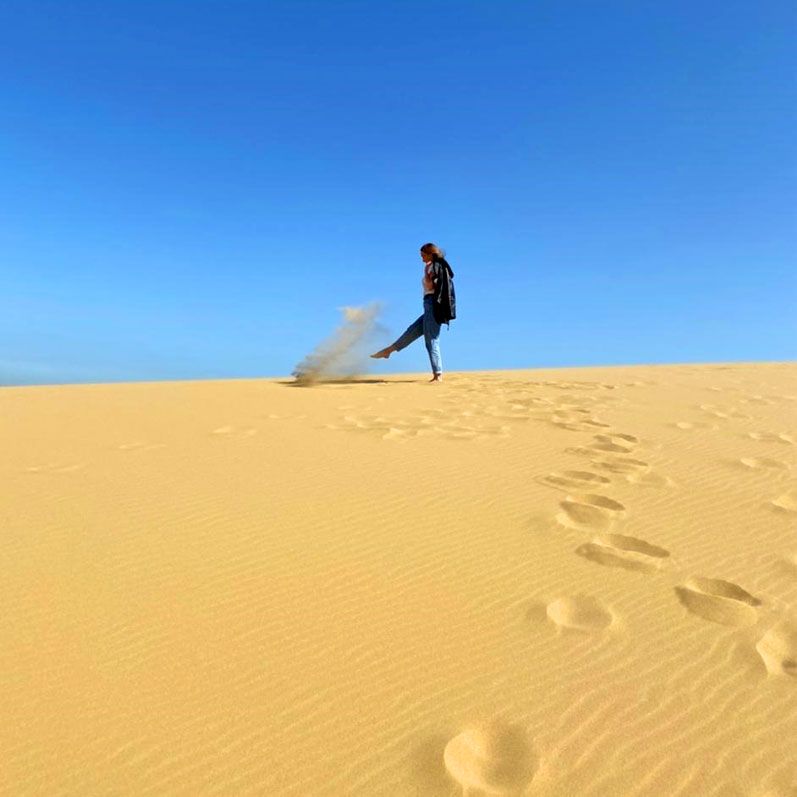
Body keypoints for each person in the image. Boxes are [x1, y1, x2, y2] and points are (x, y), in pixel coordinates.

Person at [371, 243, 456, 382]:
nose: (421, 258)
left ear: (430, 254)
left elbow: (437, 285)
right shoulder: (434, 266)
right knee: (412, 331)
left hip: (433, 305)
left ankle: (438, 374)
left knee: (431, 340)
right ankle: (388, 351)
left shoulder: (435, 266)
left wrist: (429, 277)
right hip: (429, 304)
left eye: (423, 255)